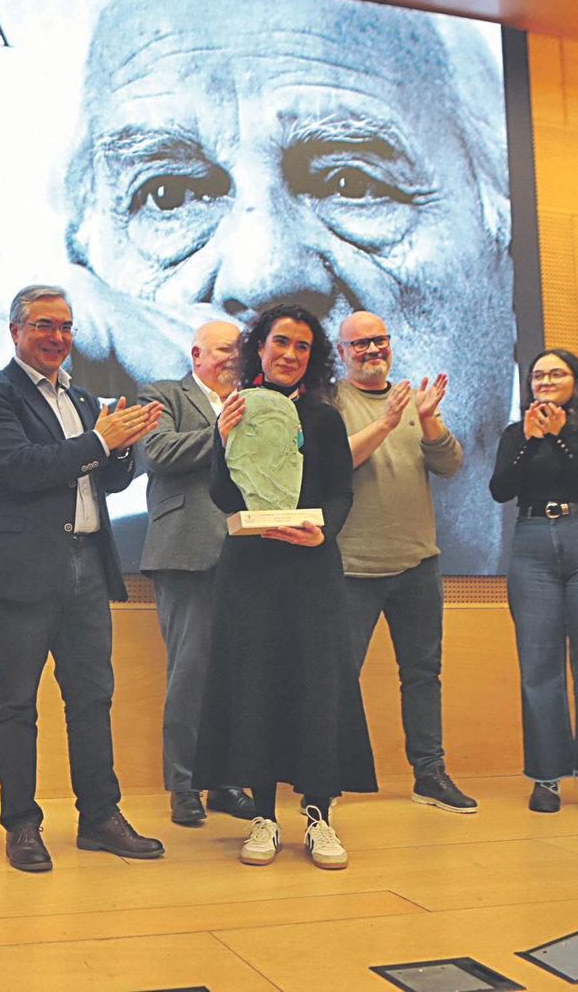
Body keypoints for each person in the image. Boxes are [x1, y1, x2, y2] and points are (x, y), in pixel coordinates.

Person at [0, 0, 516, 574]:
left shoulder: (547, 551)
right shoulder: (99, 575)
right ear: (93, 270)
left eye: (350, 180)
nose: (263, 274)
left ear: (505, 266)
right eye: (168, 195)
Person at [0, 284, 167, 872]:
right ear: (16, 331)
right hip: (23, 570)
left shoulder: (79, 397)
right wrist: (100, 441)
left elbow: (105, 478)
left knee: (92, 698)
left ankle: (100, 817)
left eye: (66, 328)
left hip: (88, 566)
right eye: (45, 326)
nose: (57, 338)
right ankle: (21, 825)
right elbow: (21, 468)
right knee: (17, 704)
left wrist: (122, 450)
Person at [195, 303, 376, 869]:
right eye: (280, 343)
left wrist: (322, 535)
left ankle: (319, 816)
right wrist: (222, 443)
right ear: (260, 348)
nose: (290, 355)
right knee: (255, 683)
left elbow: (342, 493)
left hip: (311, 568)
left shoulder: (325, 418)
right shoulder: (236, 410)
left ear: (313, 356)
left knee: (316, 684)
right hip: (249, 568)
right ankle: (264, 818)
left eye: (301, 346)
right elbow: (226, 498)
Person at [333, 311, 477, 814]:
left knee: (422, 673)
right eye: (360, 345)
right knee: (338, 675)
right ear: (341, 353)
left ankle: (430, 773)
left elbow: (450, 463)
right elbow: (334, 462)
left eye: (379, 342)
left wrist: (430, 418)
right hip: (352, 565)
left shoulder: (414, 401)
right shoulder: (331, 401)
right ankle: (327, 775)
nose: (372, 351)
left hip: (418, 564)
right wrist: (388, 422)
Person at [489, 349, 578, 817]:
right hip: (532, 542)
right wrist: (532, 442)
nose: (545, 380)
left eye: (556, 373)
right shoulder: (517, 433)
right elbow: (501, 490)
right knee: (538, 665)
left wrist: (558, 440)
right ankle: (546, 778)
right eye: (537, 375)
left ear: (576, 381)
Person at [136, 320, 256, 826]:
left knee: (239, 676)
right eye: (225, 349)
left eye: (240, 350)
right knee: (190, 674)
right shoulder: (162, 394)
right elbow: (158, 453)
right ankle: (184, 785)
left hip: (252, 552)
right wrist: (221, 432)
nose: (234, 358)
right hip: (188, 551)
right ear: (197, 354)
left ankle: (227, 781)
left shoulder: (258, 400)